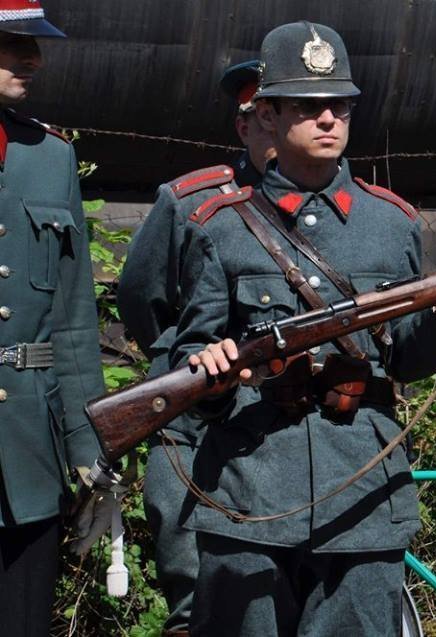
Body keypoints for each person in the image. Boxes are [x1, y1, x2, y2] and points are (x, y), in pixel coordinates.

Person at [163, 21, 436, 636]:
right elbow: (190, 352)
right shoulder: (218, 224)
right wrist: (214, 371)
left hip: (360, 494)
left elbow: (404, 360)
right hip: (249, 490)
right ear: (269, 116)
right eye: (309, 107)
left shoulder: (393, 224)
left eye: (339, 105)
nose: (329, 119)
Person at [116, 59, 276, 637]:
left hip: (274, 430)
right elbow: (141, 297)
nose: (281, 128)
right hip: (195, 428)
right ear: (245, 126)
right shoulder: (189, 201)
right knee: (194, 600)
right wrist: (185, 361)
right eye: (267, 116)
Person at [0, 3, 106, 636]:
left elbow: (71, 318)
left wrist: (89, 446)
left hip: (27, 454)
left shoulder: (50, 156)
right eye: (12, 43)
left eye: (35, 44)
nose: (32, 59)